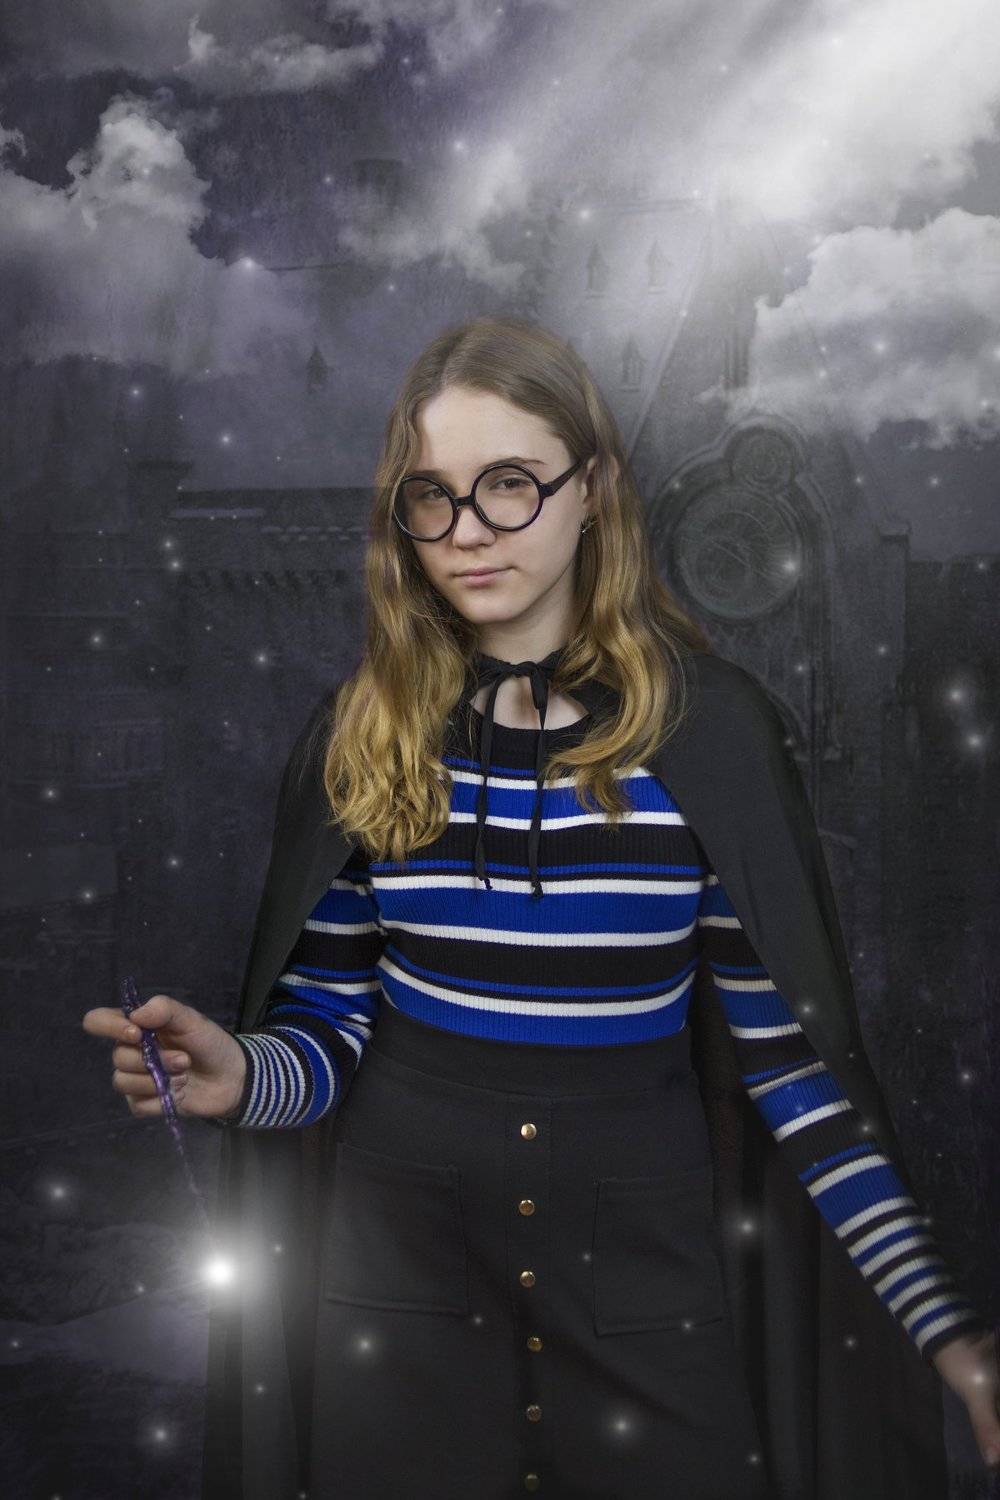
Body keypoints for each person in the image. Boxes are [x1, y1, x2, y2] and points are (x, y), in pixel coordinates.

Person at [84, 316, 998, 1498]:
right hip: (397, 1301)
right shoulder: (365, 734)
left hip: (644, 1290)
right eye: (432, 496)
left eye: (509, 484)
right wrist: (240, 1075)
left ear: (591, 491)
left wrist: (944, 1333)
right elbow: (329, 1028)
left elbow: (795, 1081)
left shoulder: (710, 734)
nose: (467, 531)